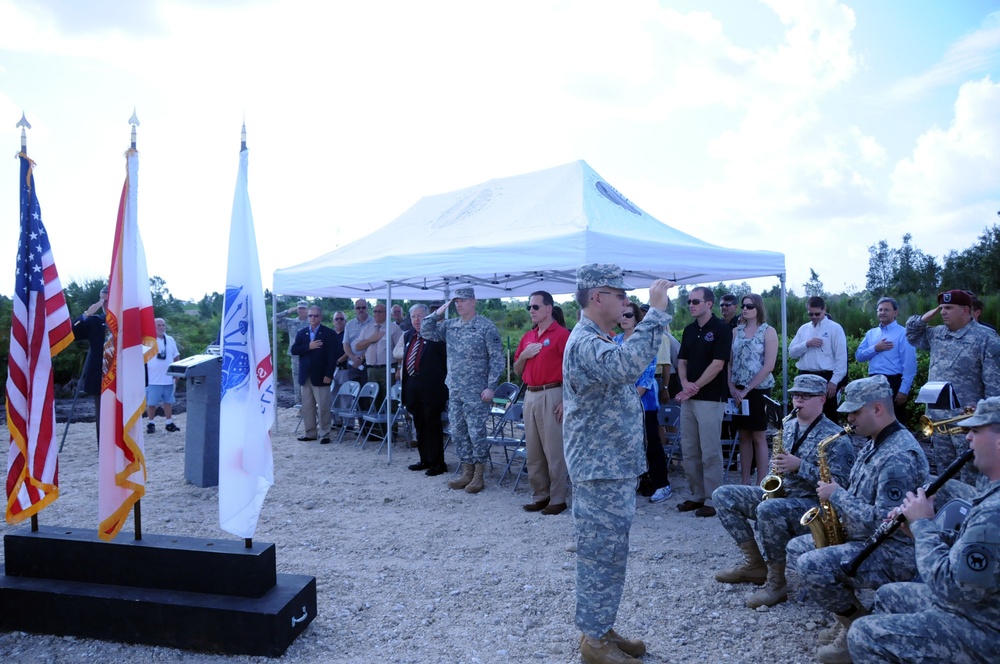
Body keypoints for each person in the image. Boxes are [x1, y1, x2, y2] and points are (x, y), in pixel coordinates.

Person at [562, 263, 673, 664]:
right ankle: (593, 640)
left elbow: (624, 365)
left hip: (611, 466)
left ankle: (602, 626)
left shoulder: (598, 337)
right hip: (599, 468)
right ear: (597, 297)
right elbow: (627, 366)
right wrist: (657, 313)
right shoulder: (585, 342)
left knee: (610, 552)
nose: (627, 301)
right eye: (621, 294)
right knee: (599, 553)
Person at [787, 375, 930, 664]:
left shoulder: (898, 455)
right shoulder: (875, 440)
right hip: (868, 539)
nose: (849, 419)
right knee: (797, 548)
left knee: (811, 564)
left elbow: (883, 523)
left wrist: (836, 496)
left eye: (855, 412)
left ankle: (856, 629)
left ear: (877, 409)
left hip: (894, 551)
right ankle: (850, 618)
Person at [848, 396, 1000, 664]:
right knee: (887, 596)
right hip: (982, 606)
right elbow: (978, 553)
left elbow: (951, 588)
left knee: (863, 635)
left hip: (985, 627)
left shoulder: (994, 510)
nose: (967, 439)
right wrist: (919, 531)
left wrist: (923, 525)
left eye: (976, 431)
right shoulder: (992, 492)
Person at [713, 374, 853, 608]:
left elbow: (844, 485)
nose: (798, 400)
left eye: (805, 396)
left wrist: (802, 467)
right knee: (723, 495)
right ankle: (755, 565)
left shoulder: (836, 437)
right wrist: (772, 477)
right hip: (783, 495)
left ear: (821, 399)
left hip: (813, 505)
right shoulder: (787, 426)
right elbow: (775, 468)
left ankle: (776, 583)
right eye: (796, 395)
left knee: (769, 509)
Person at [907, 289, 1000, 483]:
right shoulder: (937, 334)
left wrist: (987, 416)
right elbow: (912, 334)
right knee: (945, 473)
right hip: (937, 421)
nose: (943, 312)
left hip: (967, 420)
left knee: (971, 473)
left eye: (949, 308)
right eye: (941, 308)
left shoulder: (985, 337)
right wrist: (928, 315)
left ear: (966, 310)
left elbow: (994, 384)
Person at [420, 287, 504, 494]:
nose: (458, 305)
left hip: (477, 391)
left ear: (473, 302)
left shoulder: (485, 326)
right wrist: (439, 311)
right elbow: (425, 330)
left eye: (463, 301)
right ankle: (467, 471)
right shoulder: (450, 326)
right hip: (455, 388)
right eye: (455, 301)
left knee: (476, 433)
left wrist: (491, 387)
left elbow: (497, 358)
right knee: (458, 432)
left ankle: (478, 475)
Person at [675, 286, 733, 518]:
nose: (691, 305)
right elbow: (681, 361)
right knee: (689, 450)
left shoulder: (721, 329)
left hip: (710, 398)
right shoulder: (689, 330)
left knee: (710, 451)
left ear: (709, 304)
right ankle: (696, 495)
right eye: (689, 301)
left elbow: (718, 364)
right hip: (690, 397)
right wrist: (684, 383)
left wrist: (693, 387)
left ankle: (713, 498)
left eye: (696, 301)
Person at [514, 290, 571, 515]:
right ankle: (541, 495)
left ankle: (558, 498)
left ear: (549, 308)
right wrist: (524, 356)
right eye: (529, 307)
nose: (531, 311)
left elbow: (572, 371)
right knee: (534, 450)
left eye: (535, 307)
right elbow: (518, 370)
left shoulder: (562, 335)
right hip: (530, 394)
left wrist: (566, 400)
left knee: (554, 450)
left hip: (553, 393)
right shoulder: (528, 337)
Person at [614, 302, 672, 504]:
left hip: (644, 403)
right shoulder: (615, 340)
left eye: (628, 315)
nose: (623, 318)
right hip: (621, 405)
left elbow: (647, 377)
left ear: (637, 318)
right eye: (621, 315)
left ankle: (662, 484)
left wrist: (630, 399)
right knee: (627, 446)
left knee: (651, 444)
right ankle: (635, 483)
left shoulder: (646, 342)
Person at [728, 292, 779, 485]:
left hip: (758, 390)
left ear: (758, 308)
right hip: (737, 390)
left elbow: (769, 366)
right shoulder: (736, 332)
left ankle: (761, 483)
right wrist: (731, 386)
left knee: (759, 436)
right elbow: (730, 363)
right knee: (743, 436)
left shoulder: (768, 331)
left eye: (750, 306)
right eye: (743, 306)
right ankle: (744, 482)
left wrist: (747, 390)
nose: (745, 309)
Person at [396, 304, 448, 476]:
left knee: (432, 424)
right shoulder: (408, 335)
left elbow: (445, 363)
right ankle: (425, 459)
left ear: (428, 317)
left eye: (420, 316)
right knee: (418, 423)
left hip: (432, 388)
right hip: (412, 385)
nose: (417, 320)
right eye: (413, 317)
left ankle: (438, 463)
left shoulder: (437, 335)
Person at [854, 296, 917, 421]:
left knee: (894, 421)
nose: (882, 312)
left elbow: (909, 365)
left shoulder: (903, 334)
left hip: (892, 383)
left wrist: (903, 390)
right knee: (873, 419)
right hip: (873, 381)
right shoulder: (871, 333)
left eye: (886, 310)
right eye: (880, 310)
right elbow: (859, 356)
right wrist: (875, 348)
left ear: (895, 312)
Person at [788, 296, 848, 422]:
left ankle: (830, 442)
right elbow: (792, 353)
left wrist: (834, 381)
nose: (814, 317)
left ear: (824, 309)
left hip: (825, 377)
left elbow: (841, 359)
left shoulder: (835, 328)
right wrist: (806, 344)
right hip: (804, 376)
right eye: (810, 314)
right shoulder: (804, 328)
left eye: (817, 313)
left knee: (828, 416)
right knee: (804, 415)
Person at [290, 306, 338, 444]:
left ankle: (325, 434)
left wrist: (329, 374)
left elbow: (332, 356)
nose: (313, 318)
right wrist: (308, 347)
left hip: (322, 376)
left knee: (323, 406)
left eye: (316, 316)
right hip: (305, 376)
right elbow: (294, 350)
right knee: (307, 406)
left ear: (320, 317)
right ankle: (310, 433)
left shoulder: (328, 333)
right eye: (310, 316)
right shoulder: (302, 333)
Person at [71, 285, 108, 443]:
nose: (105, 305)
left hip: (122, 374)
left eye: (108, 301)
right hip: (100, 374)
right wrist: (87, 314)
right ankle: (104, 446)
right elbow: (73, 332)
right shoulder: (95, 321)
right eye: (102, 301)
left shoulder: (127, 321)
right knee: (101, 413)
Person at [354, 302, 403, 412]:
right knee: (374, 399)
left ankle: (391, 428)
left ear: (386, 313)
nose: (376, 314)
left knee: (389, 399)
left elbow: (400, 350)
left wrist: (399, 369)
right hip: (371, 369)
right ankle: (376, 429)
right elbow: (357, 346)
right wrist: (370, 340)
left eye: (379, 311)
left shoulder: (394, 328)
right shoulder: (367, 328)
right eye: (375, 311)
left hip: (388, 368)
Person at [145, 318, 181, 434]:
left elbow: (176, 356)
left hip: (168, 377)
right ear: (153, 327)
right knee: (151, 403)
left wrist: (177, 373)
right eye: (159, 325)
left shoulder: (170, 340)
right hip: (152, 378)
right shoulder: (148, 341)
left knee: (168, 401)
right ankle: (151, 423)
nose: (162, 327)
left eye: (163, 325)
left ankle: (169, 422)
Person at [274, 300, 310, 395]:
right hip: (296, 356)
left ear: (307, 310)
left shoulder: (312, 323)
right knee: (297, 378)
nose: (302, 310)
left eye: (304, 308)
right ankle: (298, 401)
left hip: (309, 355)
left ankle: (310, 402)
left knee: (309, 379)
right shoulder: (291, 323)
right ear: (297, 309)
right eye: (300, 308)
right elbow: (274, 319)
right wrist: (287, 312)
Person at [342, 298, 374, 384]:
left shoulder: (375, 323)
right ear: (354, 309)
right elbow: (346, 344)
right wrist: (353, 357)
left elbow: (375, 343)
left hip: (369, 363)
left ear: (367, 308)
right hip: (353, 363)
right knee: (353, 392)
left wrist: (362, 357)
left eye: (363, 307)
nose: (361, 310)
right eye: (358, 308)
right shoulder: (349, 324)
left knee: (367, 393)